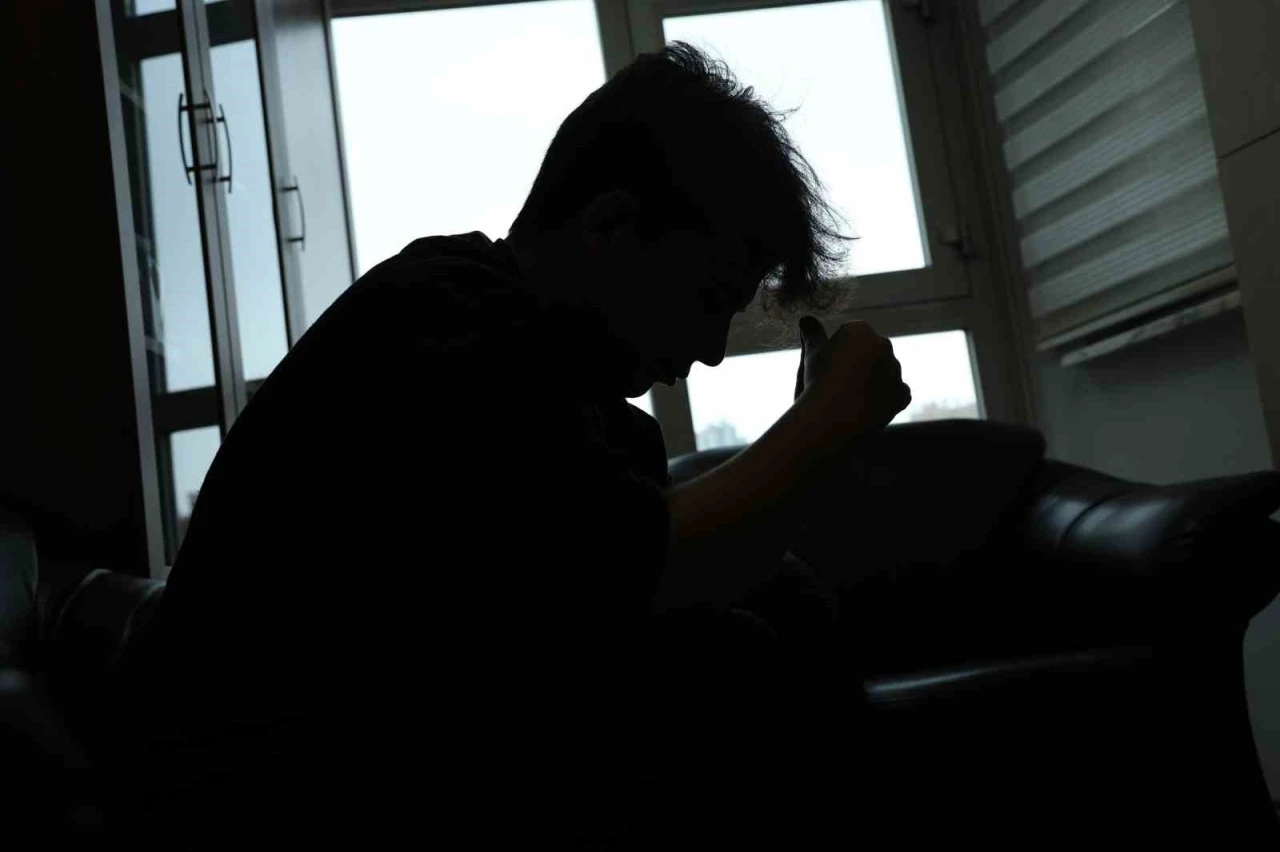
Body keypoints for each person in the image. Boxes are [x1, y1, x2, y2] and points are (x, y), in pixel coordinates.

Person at [109, 42, 911, 842]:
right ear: (609, 228)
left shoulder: (568, 393)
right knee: (725, 665)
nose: (710, 351)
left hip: (355, 769)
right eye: (707, 299)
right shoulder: (444, 325)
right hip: (259, 802)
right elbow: (651, 572)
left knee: (774, 608)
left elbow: (662, 574)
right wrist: (826, 421)